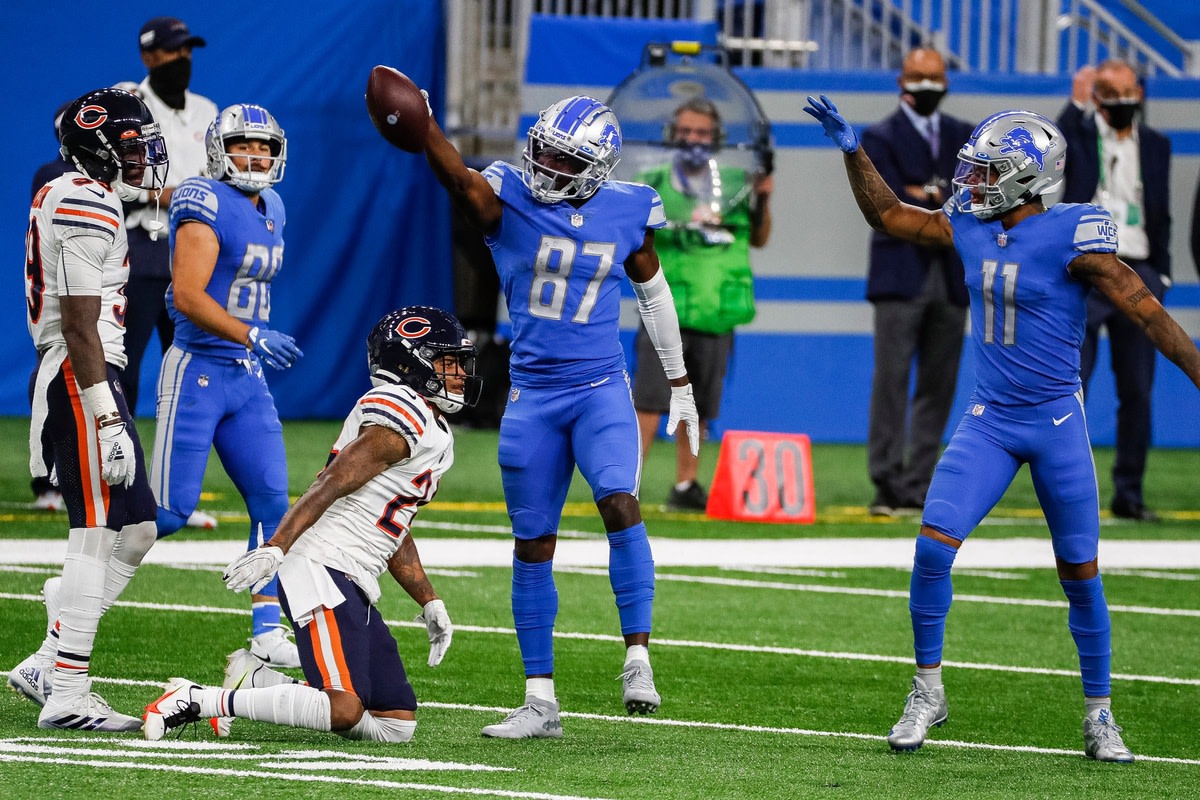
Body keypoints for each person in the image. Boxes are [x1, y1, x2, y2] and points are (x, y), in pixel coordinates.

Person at [804, 95, 1200, 762]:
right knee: (932, 548)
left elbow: (1146, 311)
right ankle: (927, 689)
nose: (972, 184)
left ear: (1027, 178)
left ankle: (1100, 714)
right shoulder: (968, 223)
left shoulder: (1076, 235)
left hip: (1055, 421)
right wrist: (853, 150)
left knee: (1079, 573)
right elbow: (889, 214)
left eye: (988, 173)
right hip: (991, 419)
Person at [420, 93, 700, 737]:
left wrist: (679, 382)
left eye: (563, 158)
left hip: (600, 386)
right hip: (533, 396)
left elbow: (653, 296)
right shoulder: (507, 197)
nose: (544, 164)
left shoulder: (630, 207)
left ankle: (637, 657)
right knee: (532, 543)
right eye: (541, 149)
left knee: (619, 502)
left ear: (598, 167)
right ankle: (540, 701)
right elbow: (460, 179)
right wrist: (427, 126)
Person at [143, 307, 473, 742]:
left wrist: (428, 599)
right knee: (343, 708)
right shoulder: (402, 413)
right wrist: (277, 546)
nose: (460, 374)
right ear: (410, 362)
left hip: (351, 573)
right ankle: (195, 699)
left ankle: (253, 679)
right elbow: (334, 481)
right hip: (323, 565)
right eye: (447, 362)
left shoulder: (430, 424)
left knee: (393, 723)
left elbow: (393, 524)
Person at [11, 87, 168, 730]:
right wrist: (103, 412)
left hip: (90, 373)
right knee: (96, 530)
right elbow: (79, 325)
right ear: (96, 147)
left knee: (138, 528)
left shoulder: (82, 194)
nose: (141, 159)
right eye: (130, 147)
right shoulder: (83, 199)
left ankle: (49, 658)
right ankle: (70, 690)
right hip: (81, 376)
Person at [149, 103, 303, 667]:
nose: (256, 155)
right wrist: (252, 334)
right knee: (168, 512)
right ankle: (74, 603)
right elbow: (187, 295)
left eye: (264, 146)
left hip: (245, 375)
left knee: (274, 506)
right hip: (199, 369)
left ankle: (267, 629)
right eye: (244, 144)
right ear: (220, 149)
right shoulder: (203, 198)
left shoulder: (275, 205)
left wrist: (250, 344)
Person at [631, 97, 772, 510]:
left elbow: (759, 238)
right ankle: (629, 485)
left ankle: (685, 485)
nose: (694, 140)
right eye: (687, 132)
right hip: (665, 308)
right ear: (673, 137)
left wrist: (764, 198)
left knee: (699, 407)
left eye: (702, 133)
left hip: (716, 310)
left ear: (717, 138)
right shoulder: (650, 182)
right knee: (650, 402)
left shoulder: (736, 182)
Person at [860, 48, 975, 517]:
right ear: (901, 81)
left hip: (951, 275)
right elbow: (886, 201)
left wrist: (924, 196)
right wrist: (934, 196)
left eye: (936, 77)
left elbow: (971, 197)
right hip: (899, 276)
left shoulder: (965, 136)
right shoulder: (878, 136)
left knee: (939, 384)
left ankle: (919, 482)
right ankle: (886, 481)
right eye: (919, 77)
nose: (928, 85)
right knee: (890, 381)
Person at [1057, 61, 1172, 522]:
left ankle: (1130, 493)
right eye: (1113, 92)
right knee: (1072, 386)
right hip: (1087, 271)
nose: (1124, 100)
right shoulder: (1079, 137)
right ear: (1099, 98)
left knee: (1138, 390)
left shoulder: (1158, 145)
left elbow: (1162, 212)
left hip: (1138, 270)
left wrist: (1160, 274)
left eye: (1130, 91)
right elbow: (1056, 148)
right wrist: (1075, 102)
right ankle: (1068, 492)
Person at [26, 100, 77, 513]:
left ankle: (76, 473)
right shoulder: (55, 176)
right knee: (53, 375)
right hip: (65, 291)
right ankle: (46, 475)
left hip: (96, 288)